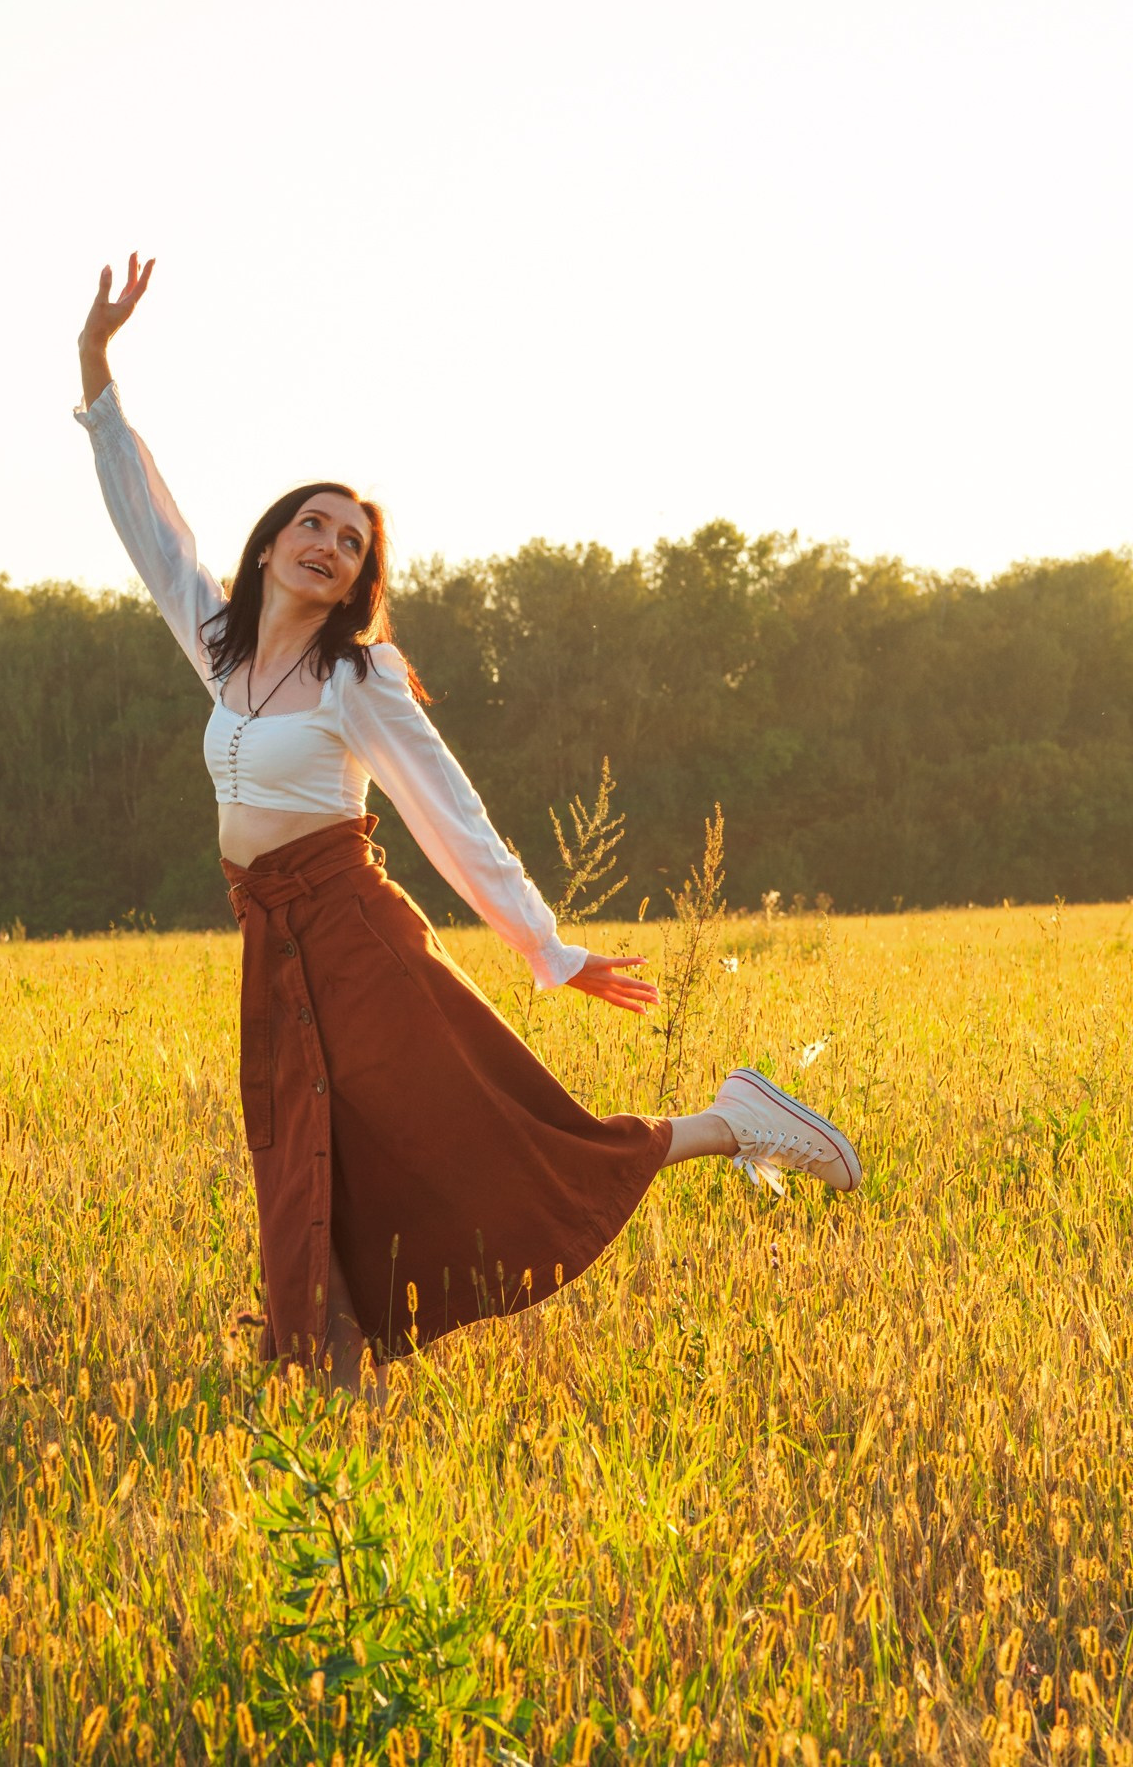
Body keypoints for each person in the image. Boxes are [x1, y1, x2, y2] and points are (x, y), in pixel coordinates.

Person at [76, 254, 863, 1389]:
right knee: (304, 1156)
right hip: (270, 942)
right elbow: (150, 527)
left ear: (357, 580)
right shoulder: (221, 648)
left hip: (355, 936)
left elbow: (452, 815)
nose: (328, 544)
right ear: (270, 545)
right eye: (311, 524)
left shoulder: (359, 678)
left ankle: (730, 1123)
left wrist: (547, 948)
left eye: (351, 543)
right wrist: (97, 369)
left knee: (489, 1142)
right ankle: (332, 1375)